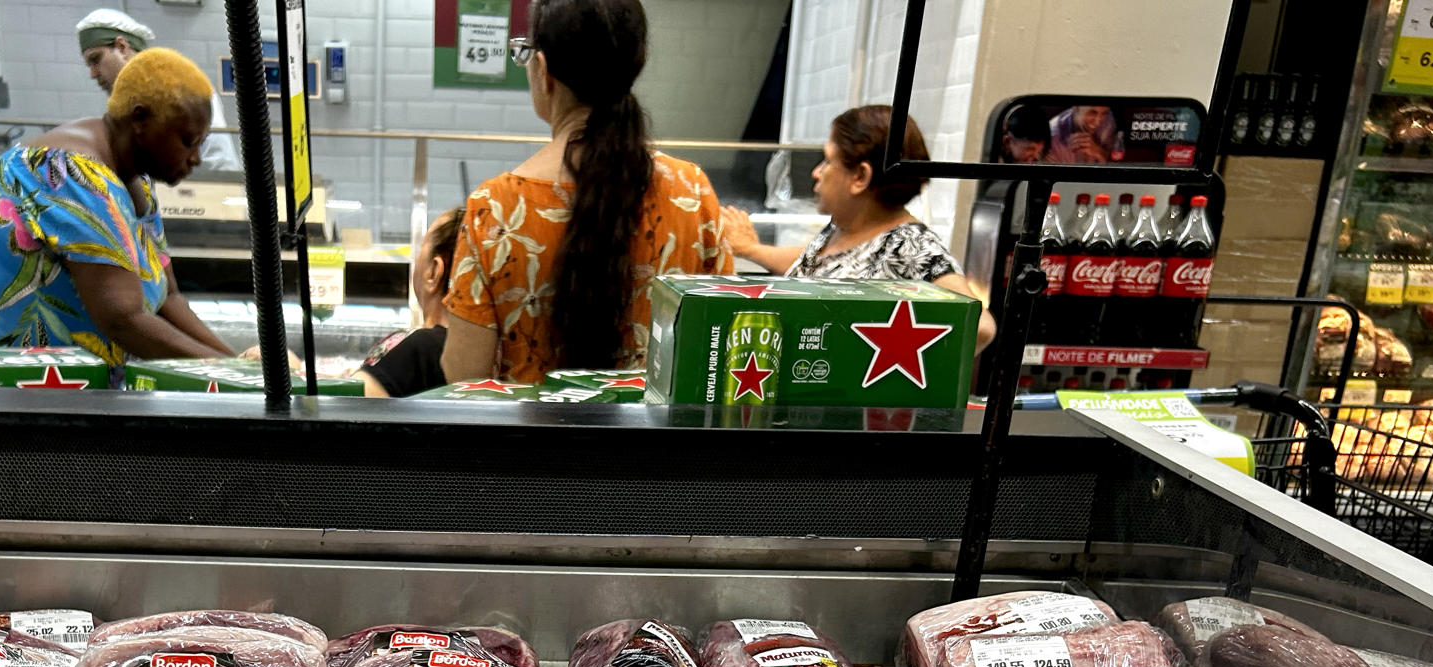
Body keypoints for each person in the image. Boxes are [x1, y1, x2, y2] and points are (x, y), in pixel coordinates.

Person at [440, 0, 731, 385]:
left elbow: (464, 377)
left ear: (543, 71)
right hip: (657, 443)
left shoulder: (493, 209)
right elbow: (723, 344)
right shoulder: (691, 192)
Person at [0, 48, 236, 367]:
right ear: (140, 120)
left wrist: (240, 365)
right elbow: (123, 319)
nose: (196, 158)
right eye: (188, 141)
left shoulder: (138, 183)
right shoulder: (72, 173)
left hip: (47, 380)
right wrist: (231, 373)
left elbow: (168, 299)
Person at [722, 105, 996, 350]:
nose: (817, 172)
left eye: (828, 161)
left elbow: (980, 327)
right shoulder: (843, 230)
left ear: (860, 177)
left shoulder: (910, 246)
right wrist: (752, 249)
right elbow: (823, 264)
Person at [78, 8, 241, 171]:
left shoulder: (183, 86)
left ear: (122, 47)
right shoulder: (124, 106)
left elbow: (220, 163)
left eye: (96, 59)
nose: (93, 74)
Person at [359, 209, 462, 398]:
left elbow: (348, 409)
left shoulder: (413, 348)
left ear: (434, 272)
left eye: (422, 247)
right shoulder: (496, 358)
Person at [1047, 104, 1122, 165]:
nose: (1098, 121)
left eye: (1104, 113)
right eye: (1092, 112)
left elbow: (1112, 165)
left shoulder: (1108, 121)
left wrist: (1099, 152)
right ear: (1076, 108)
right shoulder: (1052, 139)